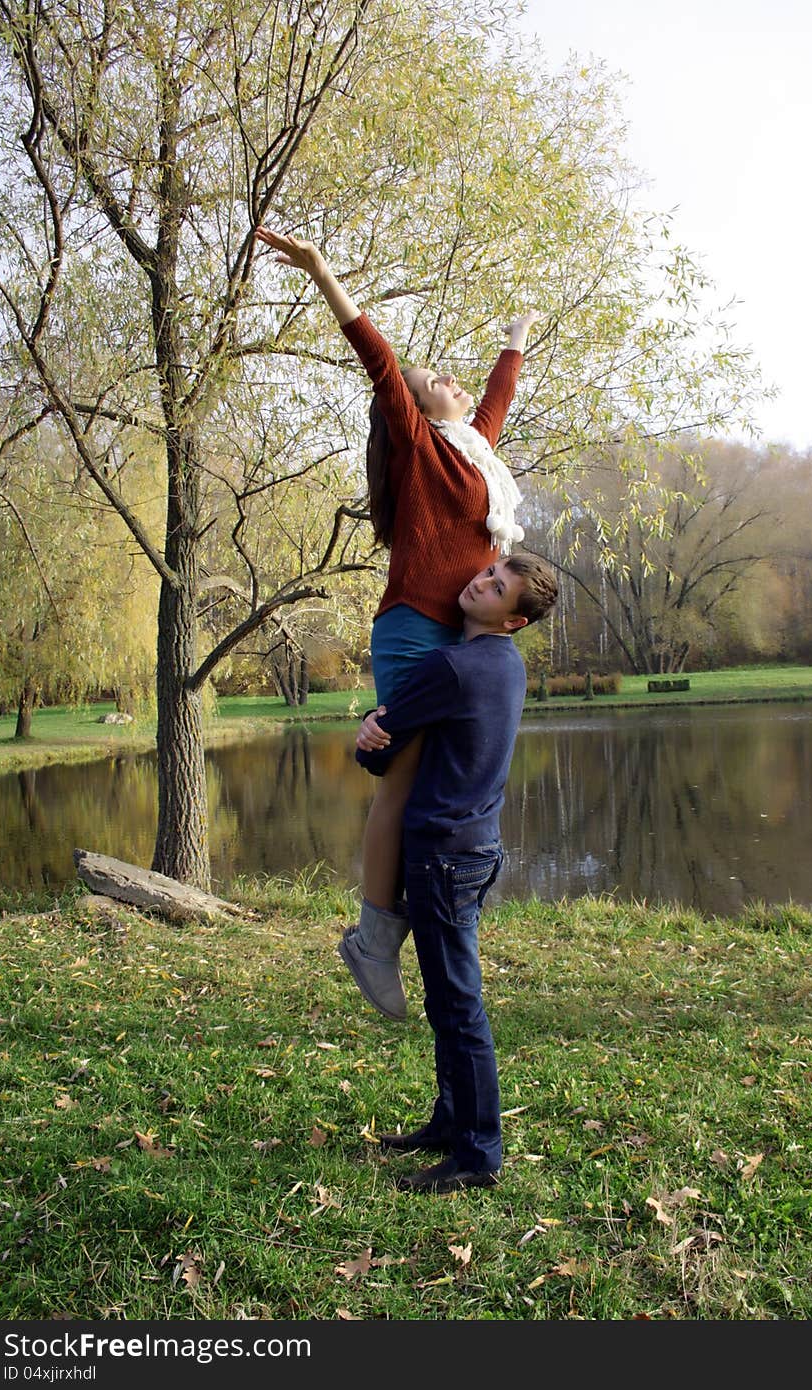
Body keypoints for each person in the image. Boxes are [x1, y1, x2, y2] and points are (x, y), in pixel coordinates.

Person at [254, 225, 539, 1023]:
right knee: (404, 783)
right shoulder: (418, 447)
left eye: (450, 376)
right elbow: (377, 356)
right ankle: (375, 937)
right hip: (416, 628)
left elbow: (498, 402)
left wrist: (514, 342)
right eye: (434, 380)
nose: (447, 380)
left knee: (450, 787)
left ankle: (427, 920)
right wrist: (321, 273)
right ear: (416, 409)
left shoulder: (477, 451)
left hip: (466, 637)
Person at [354, 551, 558, 1193]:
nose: (480, 582)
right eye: (488, 573)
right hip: (475, 849)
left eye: (498, 587)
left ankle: (478, 1153)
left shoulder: (452, 666)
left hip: (443, 853)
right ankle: (450, 1122)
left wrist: (367, 733)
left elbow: (379, 755)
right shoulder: (506, 667)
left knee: (459, 1004)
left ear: (513, 619)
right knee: (449, 1001)